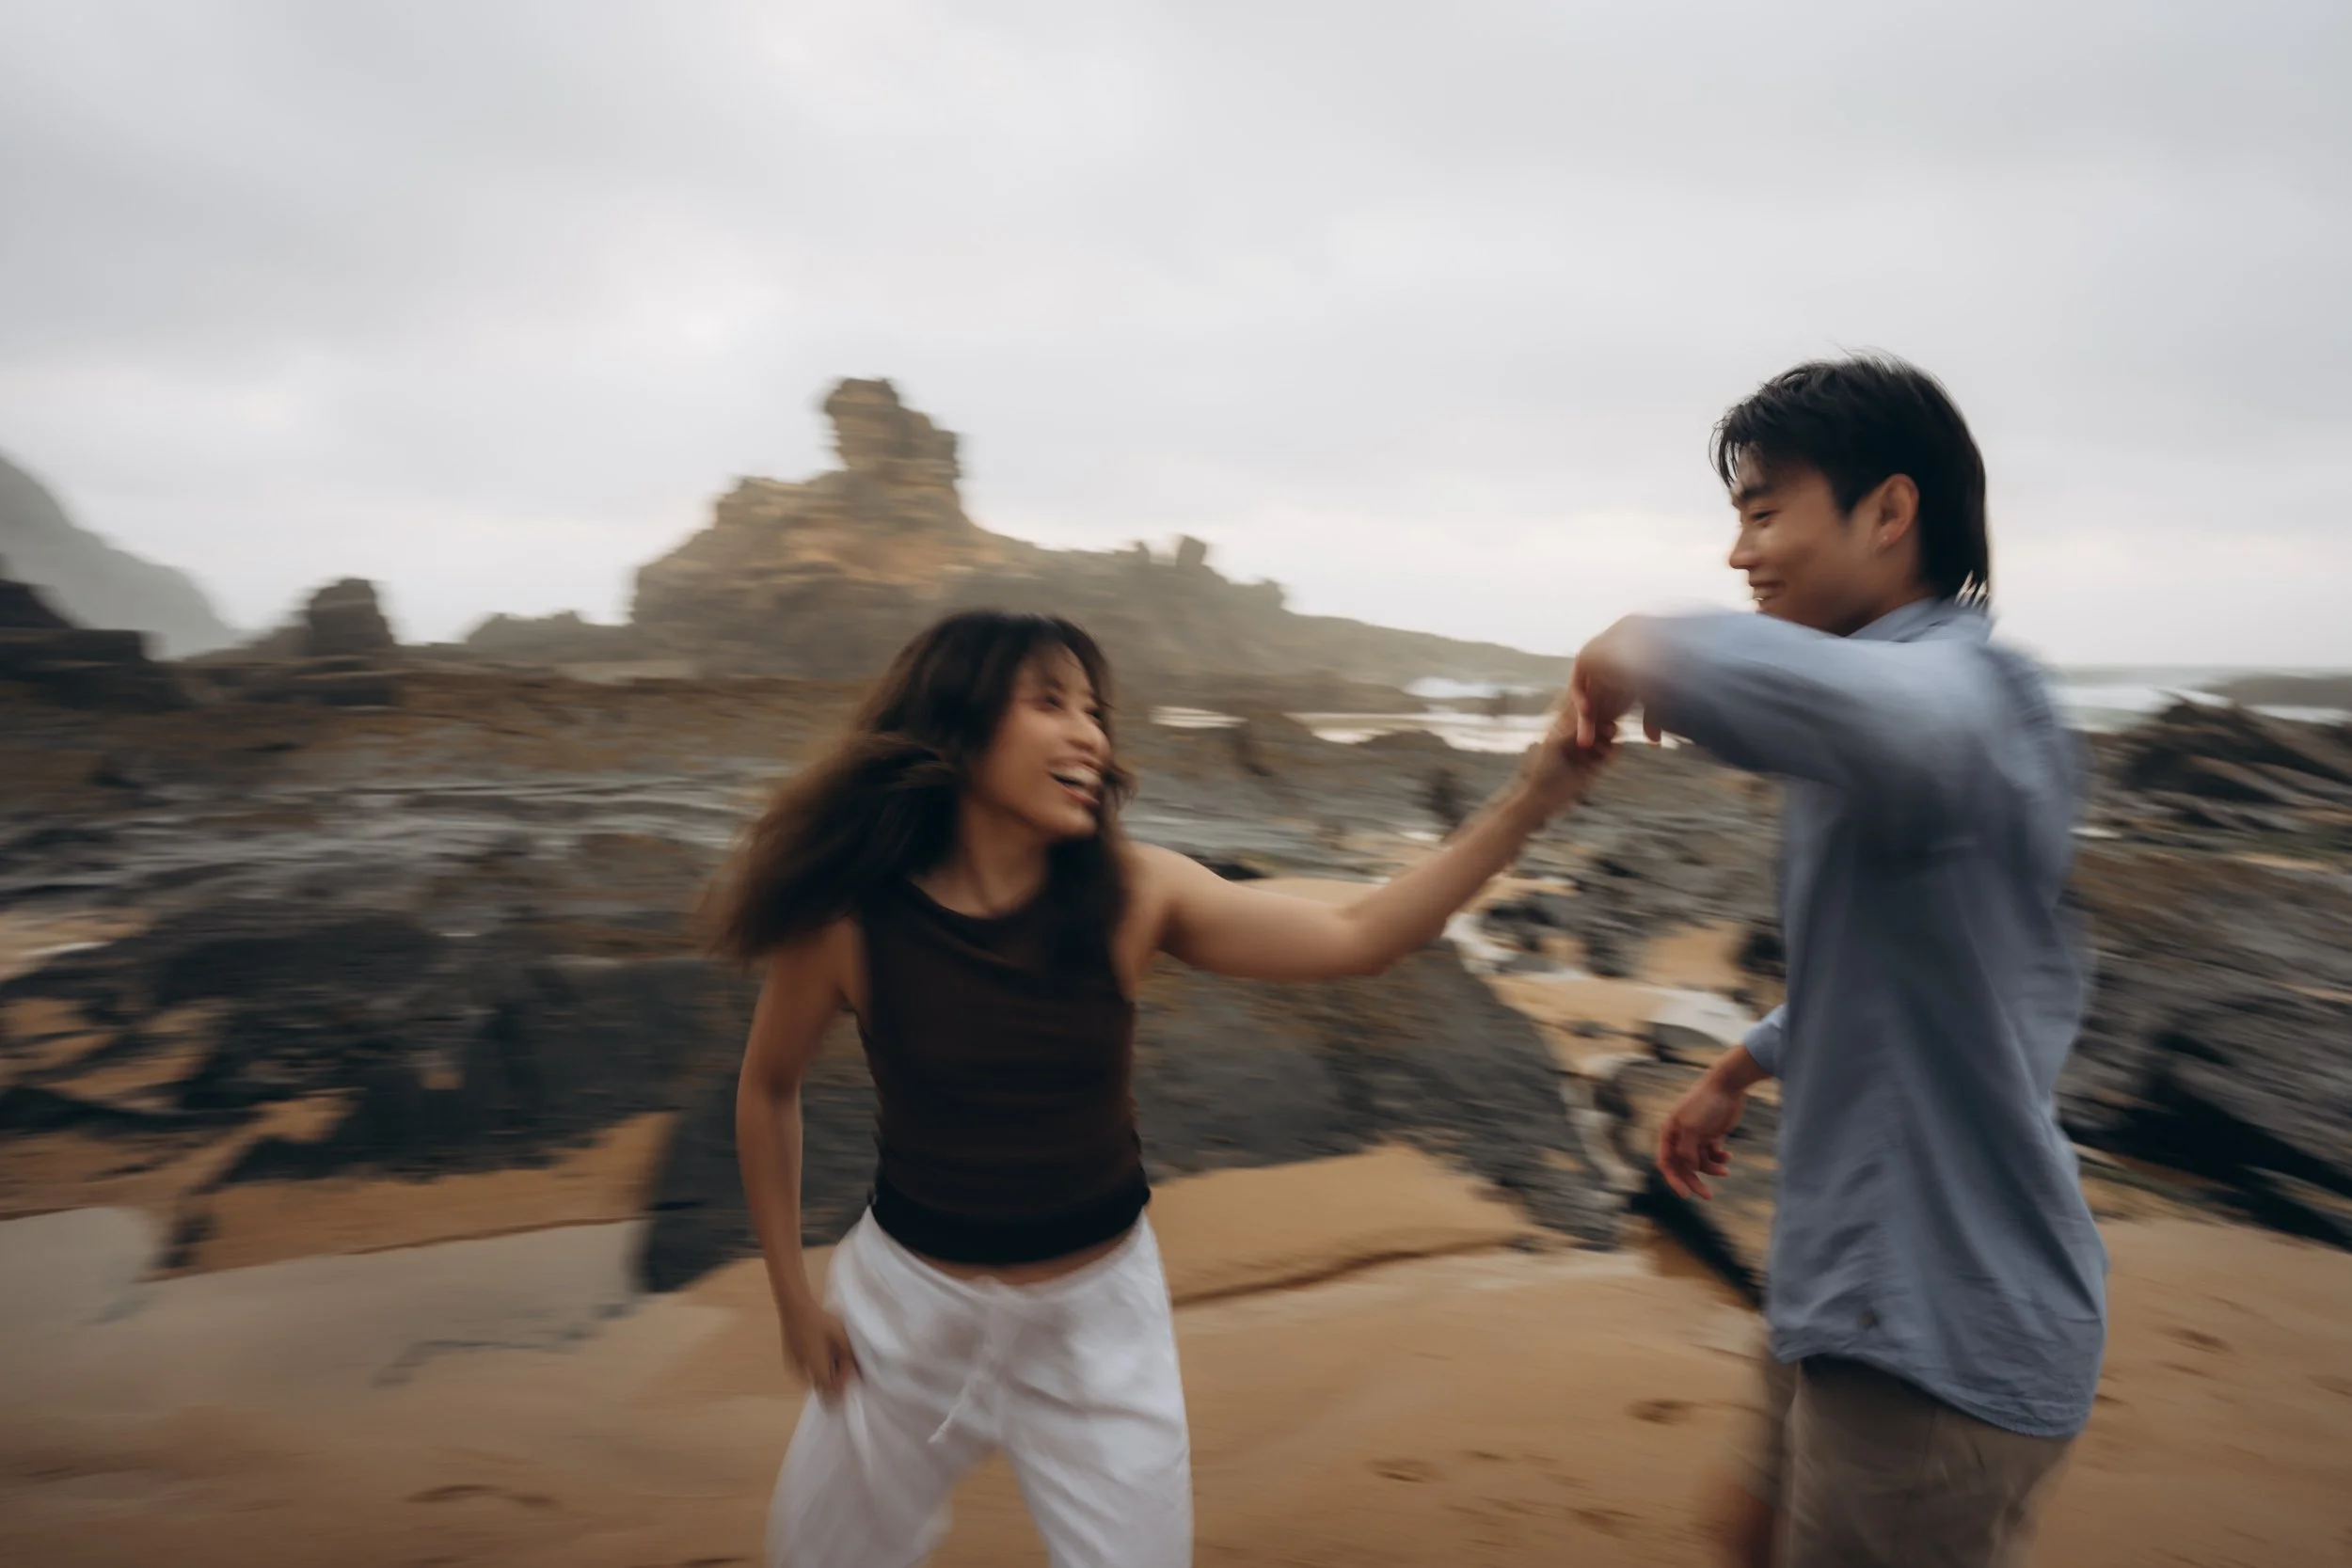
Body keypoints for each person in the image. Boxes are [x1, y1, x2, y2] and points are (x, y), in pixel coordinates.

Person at [709, 609, 1607, 1568]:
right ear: (958, 728)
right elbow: (767, 1087)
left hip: (1096, 1323)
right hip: (907, 1312)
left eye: (1094, 709)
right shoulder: (851, 920)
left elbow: (1360, 935)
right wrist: (793, 1299)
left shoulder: (1137, 894)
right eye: (1049, 703)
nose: (1089, 733)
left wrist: (1532, 795)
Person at [1568, 356, 2106, 1568]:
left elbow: (1890, 714)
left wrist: (1640, 645)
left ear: (1888, 511)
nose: (1739, 551)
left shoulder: (1976, 694)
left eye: (1763, 512)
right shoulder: (1899, 700)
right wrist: (1742, 1063)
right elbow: (1918, 968)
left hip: (1938, 1333)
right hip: (1843, 1291)